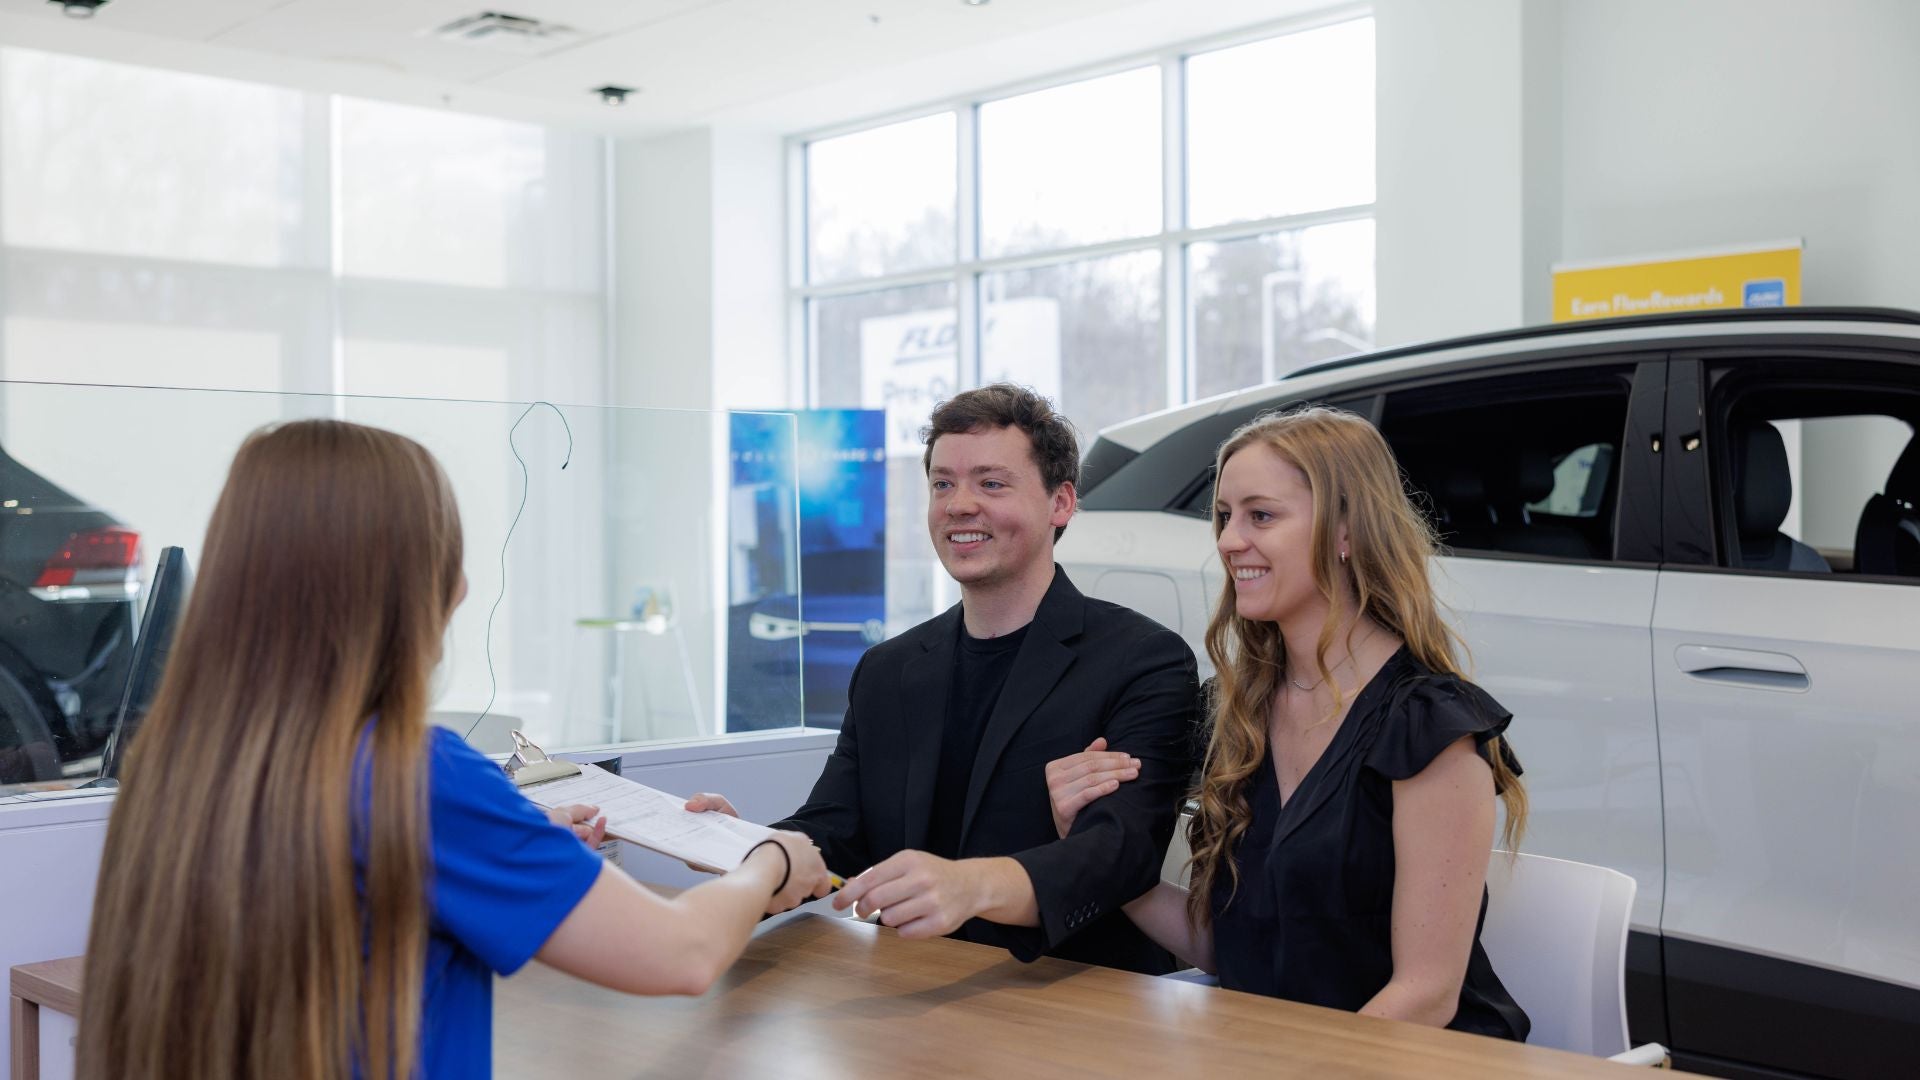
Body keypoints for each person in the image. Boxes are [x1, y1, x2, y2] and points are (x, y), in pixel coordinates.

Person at [78, 420, 831, 1080]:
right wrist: (770, 857)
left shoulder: (181, 765)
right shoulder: (415, 774)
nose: (465, 588)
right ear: (393, 590)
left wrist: (513, 841)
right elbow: (682, 954)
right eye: (444, 560)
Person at [1043, 406, 1532, 1038]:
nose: (1227, 540)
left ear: (1345, 532)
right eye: (1224, 517)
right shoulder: (1238, 711)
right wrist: (1101, 853)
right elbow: (1237, 951)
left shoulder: (1429, 726)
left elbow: (1424, 998)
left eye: (1261, 515)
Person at [688, 384, 1198, 973]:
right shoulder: (888, 669)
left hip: (1069, 994)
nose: (958, 504)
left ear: (1060, 504)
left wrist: (967, 884)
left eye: (991, 483)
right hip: (906, 989)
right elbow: (836, 828)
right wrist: (748, 847)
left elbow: (1118, 853)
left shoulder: (1144, 661)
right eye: (942, 483)